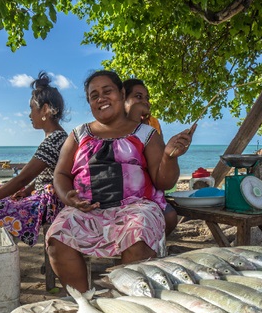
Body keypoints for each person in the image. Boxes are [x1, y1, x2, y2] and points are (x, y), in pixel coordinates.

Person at [46, 70, 195, 292]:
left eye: (107, 91)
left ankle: (128, 300)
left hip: (135, 208)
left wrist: (169, 156)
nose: (101, 98)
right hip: (86, 210)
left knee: (139, 232)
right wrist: (68, 196)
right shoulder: (78, 134)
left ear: (122, 93)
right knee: (57, 237)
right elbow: (61, 174)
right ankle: (84, 301)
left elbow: (164, 182)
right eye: (94, 95)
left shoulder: (146, 133)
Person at [0, 71, 68, 246]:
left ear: (45, 109)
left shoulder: (54, 140)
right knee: (2, 201)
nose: (30, 115)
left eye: (31, 108)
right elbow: (45, 175)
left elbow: (23, 178)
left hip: (50, 204)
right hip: (45, 196)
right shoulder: (58, 137)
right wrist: (28, 191)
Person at [123, 78, 179, 236]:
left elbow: (161, 157)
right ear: (122, 100)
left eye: (147, 98)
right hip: (125, 190)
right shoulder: (114, 126)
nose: (145, 102)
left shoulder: (152, 125)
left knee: (169, 216)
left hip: (150, 185)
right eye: (138, 97)